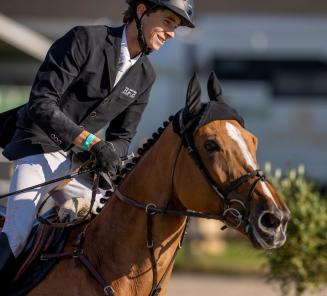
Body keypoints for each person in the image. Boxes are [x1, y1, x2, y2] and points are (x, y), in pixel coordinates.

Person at [0, 0, 194, 276]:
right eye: (167, 22)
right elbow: (42, 103)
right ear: (141, 11)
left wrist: (110, 152)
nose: (171, 33)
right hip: (40, 145)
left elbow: (123, 136)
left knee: (117, 223)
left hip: (81, 165)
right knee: (17, 233)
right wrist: (93, 144)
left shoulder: (145, 76)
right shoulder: (84, 39)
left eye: (175, 27)